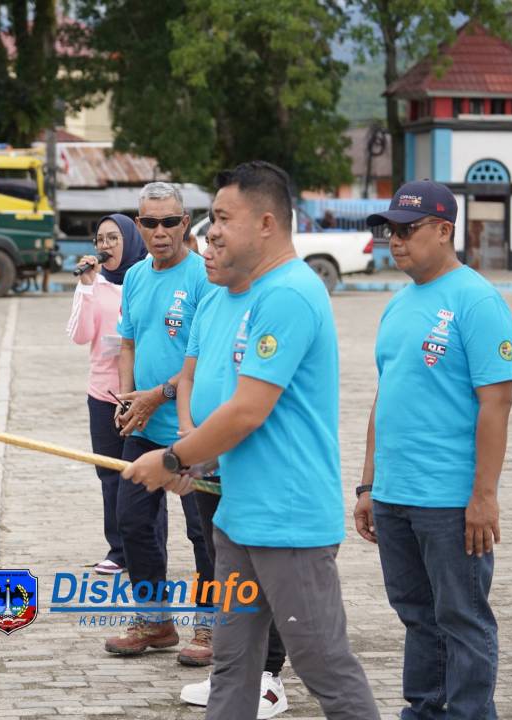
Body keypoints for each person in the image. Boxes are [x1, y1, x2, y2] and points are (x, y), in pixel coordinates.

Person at [123, 161, 379, 720]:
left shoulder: (288, 294)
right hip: (238, 520)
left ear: (266, 223)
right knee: (233, 664)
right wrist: (197, 462)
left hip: (287, 524)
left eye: (221, 217)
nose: (210, 231)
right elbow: (221, 402)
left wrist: (171, 457)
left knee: (325, 667)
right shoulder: (243, 293)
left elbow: (249, 410)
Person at [354, 180, 512, 720]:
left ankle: (470, 713)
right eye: (389, 230)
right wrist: (368, 484)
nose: (395, 241)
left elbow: (496, 406)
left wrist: (483, 497)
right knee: (416, 616)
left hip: (450, 500)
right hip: (396, 496)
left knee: (462, 616)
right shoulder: (398, 305)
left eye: (407, 229)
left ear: (444, 230)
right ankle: (423, 710)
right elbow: (386, 395)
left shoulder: (477, 300)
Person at [175, 219, 290, 718]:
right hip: (204, 462)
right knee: (224, 571)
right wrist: (186, 436)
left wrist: (200, 450)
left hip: (249, 465)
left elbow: (253, 405)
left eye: (216, 246)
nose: (206, 255)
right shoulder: (209, 303)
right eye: (204, 247)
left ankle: (268, 677)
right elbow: (189, 377)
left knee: (270, 576)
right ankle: (232, 672)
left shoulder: (269, 303)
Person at [103, 182, 216, 666]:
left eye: (170, 221)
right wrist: (129, 397)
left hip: (193, 431)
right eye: (150, 223)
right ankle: (154, 620)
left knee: (203, 534)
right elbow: (127, 342)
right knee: (132, 521)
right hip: (144, 428)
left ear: (185, 223)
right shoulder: (134, 277)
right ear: (139, 225)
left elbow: (204, 357)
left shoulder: (202, 277)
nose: (160, 231)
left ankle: (212, 627)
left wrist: (160, 396)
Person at [66, 213, 148, 575]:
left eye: (114, 238)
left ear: (129, 240)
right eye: (100, 239)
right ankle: (118, 550)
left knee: (141, 475)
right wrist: (85, 286)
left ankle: (145, 547)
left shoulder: (146, 277)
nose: (106, 245)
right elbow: (80, 335)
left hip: (143, 392)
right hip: (102, 392)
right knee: (110, 474)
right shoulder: (92, 284)